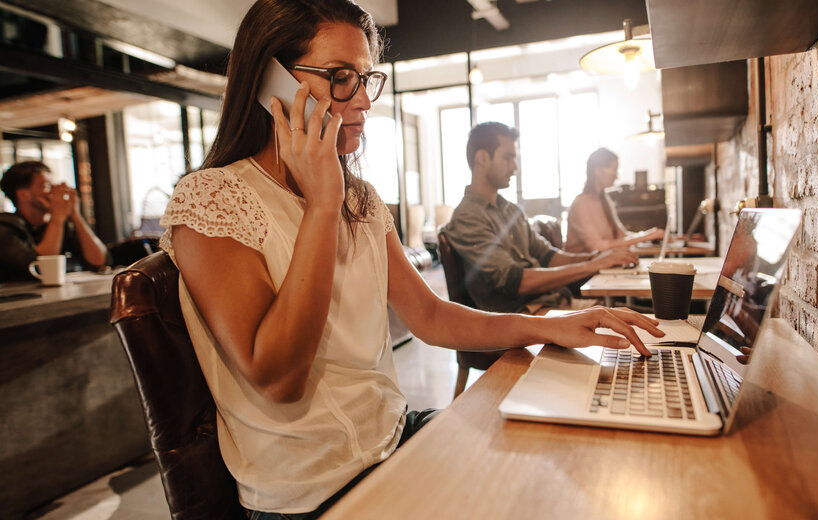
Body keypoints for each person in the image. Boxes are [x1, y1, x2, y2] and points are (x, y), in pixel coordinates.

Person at [158, 2, 663, 518]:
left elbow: (431, 316)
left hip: (394, 438)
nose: (362, 102)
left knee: (572, 467)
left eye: (365, 80)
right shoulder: (212, 199)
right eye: (339, 78)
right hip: (310, 491)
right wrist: (323, 203)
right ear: (272, 82)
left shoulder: (362, 200)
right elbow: (278, 379)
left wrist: (552, 327)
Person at [442, 122, 640, 314]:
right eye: (508, 158)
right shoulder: (468, 217)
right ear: (482, 158)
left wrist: (596, 258)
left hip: (550, 304)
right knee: (625, 324)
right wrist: (592, 265)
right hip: (519, 318)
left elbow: (548, 256)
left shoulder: (510, 210)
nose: (515, 167)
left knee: (632, 318)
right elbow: (514, 281)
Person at [0, 161, 107, 282]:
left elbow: (99, 261)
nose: (53, 192)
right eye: (47, 186)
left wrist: (75, 214)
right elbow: (41, 269)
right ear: (24, 195)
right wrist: (57, 217)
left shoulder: (58, 225)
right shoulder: (5, 228)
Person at [564, 147, 666, 254]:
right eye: (613, 172)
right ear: (598, 171)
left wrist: (649, 236)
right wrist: (646, 236)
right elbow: (597, 247)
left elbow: (621, 236)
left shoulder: (604, 199)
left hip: (603, 264)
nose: (616, 177)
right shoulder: (580, 204)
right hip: (584, 267)